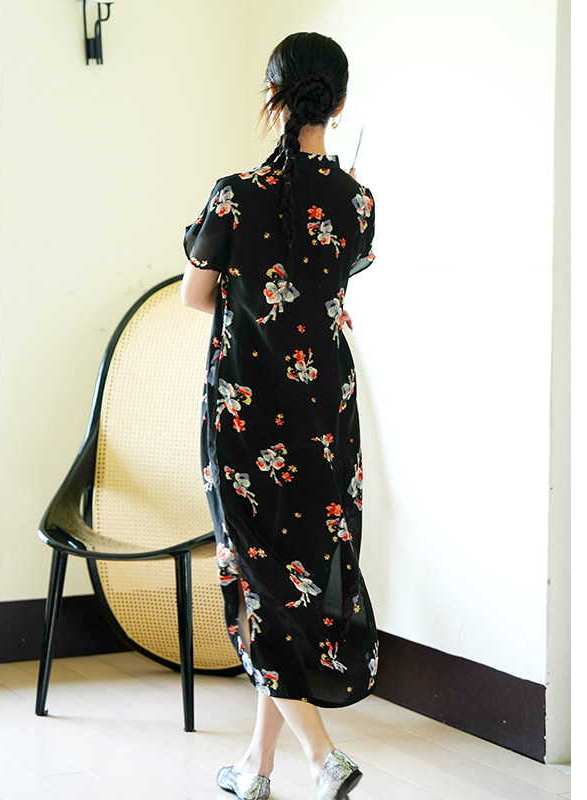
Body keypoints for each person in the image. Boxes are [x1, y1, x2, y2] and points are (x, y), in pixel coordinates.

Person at [182, 31, 377, 800]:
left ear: (273, 96)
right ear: (340, 102)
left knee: (259, 581)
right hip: (324, 414)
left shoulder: (234, 195)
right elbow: (330, 293)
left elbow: (196, 295)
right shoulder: (358, 201)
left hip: (247, 412)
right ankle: (255, 770)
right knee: (289, 584)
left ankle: (322, 757)